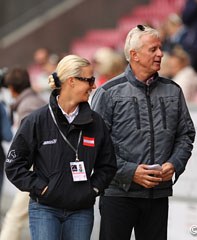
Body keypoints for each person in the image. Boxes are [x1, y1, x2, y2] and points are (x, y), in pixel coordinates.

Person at [91, 25, 196, 240]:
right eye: (153, 49)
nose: (160, 53)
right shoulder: (108, 93)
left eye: (160, 48)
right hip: (118, 194)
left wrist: (174, 164)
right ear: (134, 55)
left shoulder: (173, 90)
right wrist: (130, 172)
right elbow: (94, 145)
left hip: (157, 195)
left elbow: (186, 135)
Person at [5, 55, 117, 240]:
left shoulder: (96, 122)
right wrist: (41, 188)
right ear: (71, 81)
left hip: (81, 211)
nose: (94, 86)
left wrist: (93, 190)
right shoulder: (36, 120)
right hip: (45, 210)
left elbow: (108, 165)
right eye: (89, 80)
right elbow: (14, 165)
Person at [0, 67, 46, 240]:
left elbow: (29, 145)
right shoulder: (36, 100)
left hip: (36, 170)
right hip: (41, 170)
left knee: (14, 218)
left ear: (11, 88)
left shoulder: (28, 107)